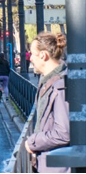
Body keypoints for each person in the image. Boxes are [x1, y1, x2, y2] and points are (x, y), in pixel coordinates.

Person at [26, 32, 69, 173]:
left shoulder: (60, 86)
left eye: (32, 54)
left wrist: (32, 142)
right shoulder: (49, 81)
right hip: (51, 162)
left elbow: (63, 133)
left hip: (57, 165)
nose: (30, 58)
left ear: (43, 55)